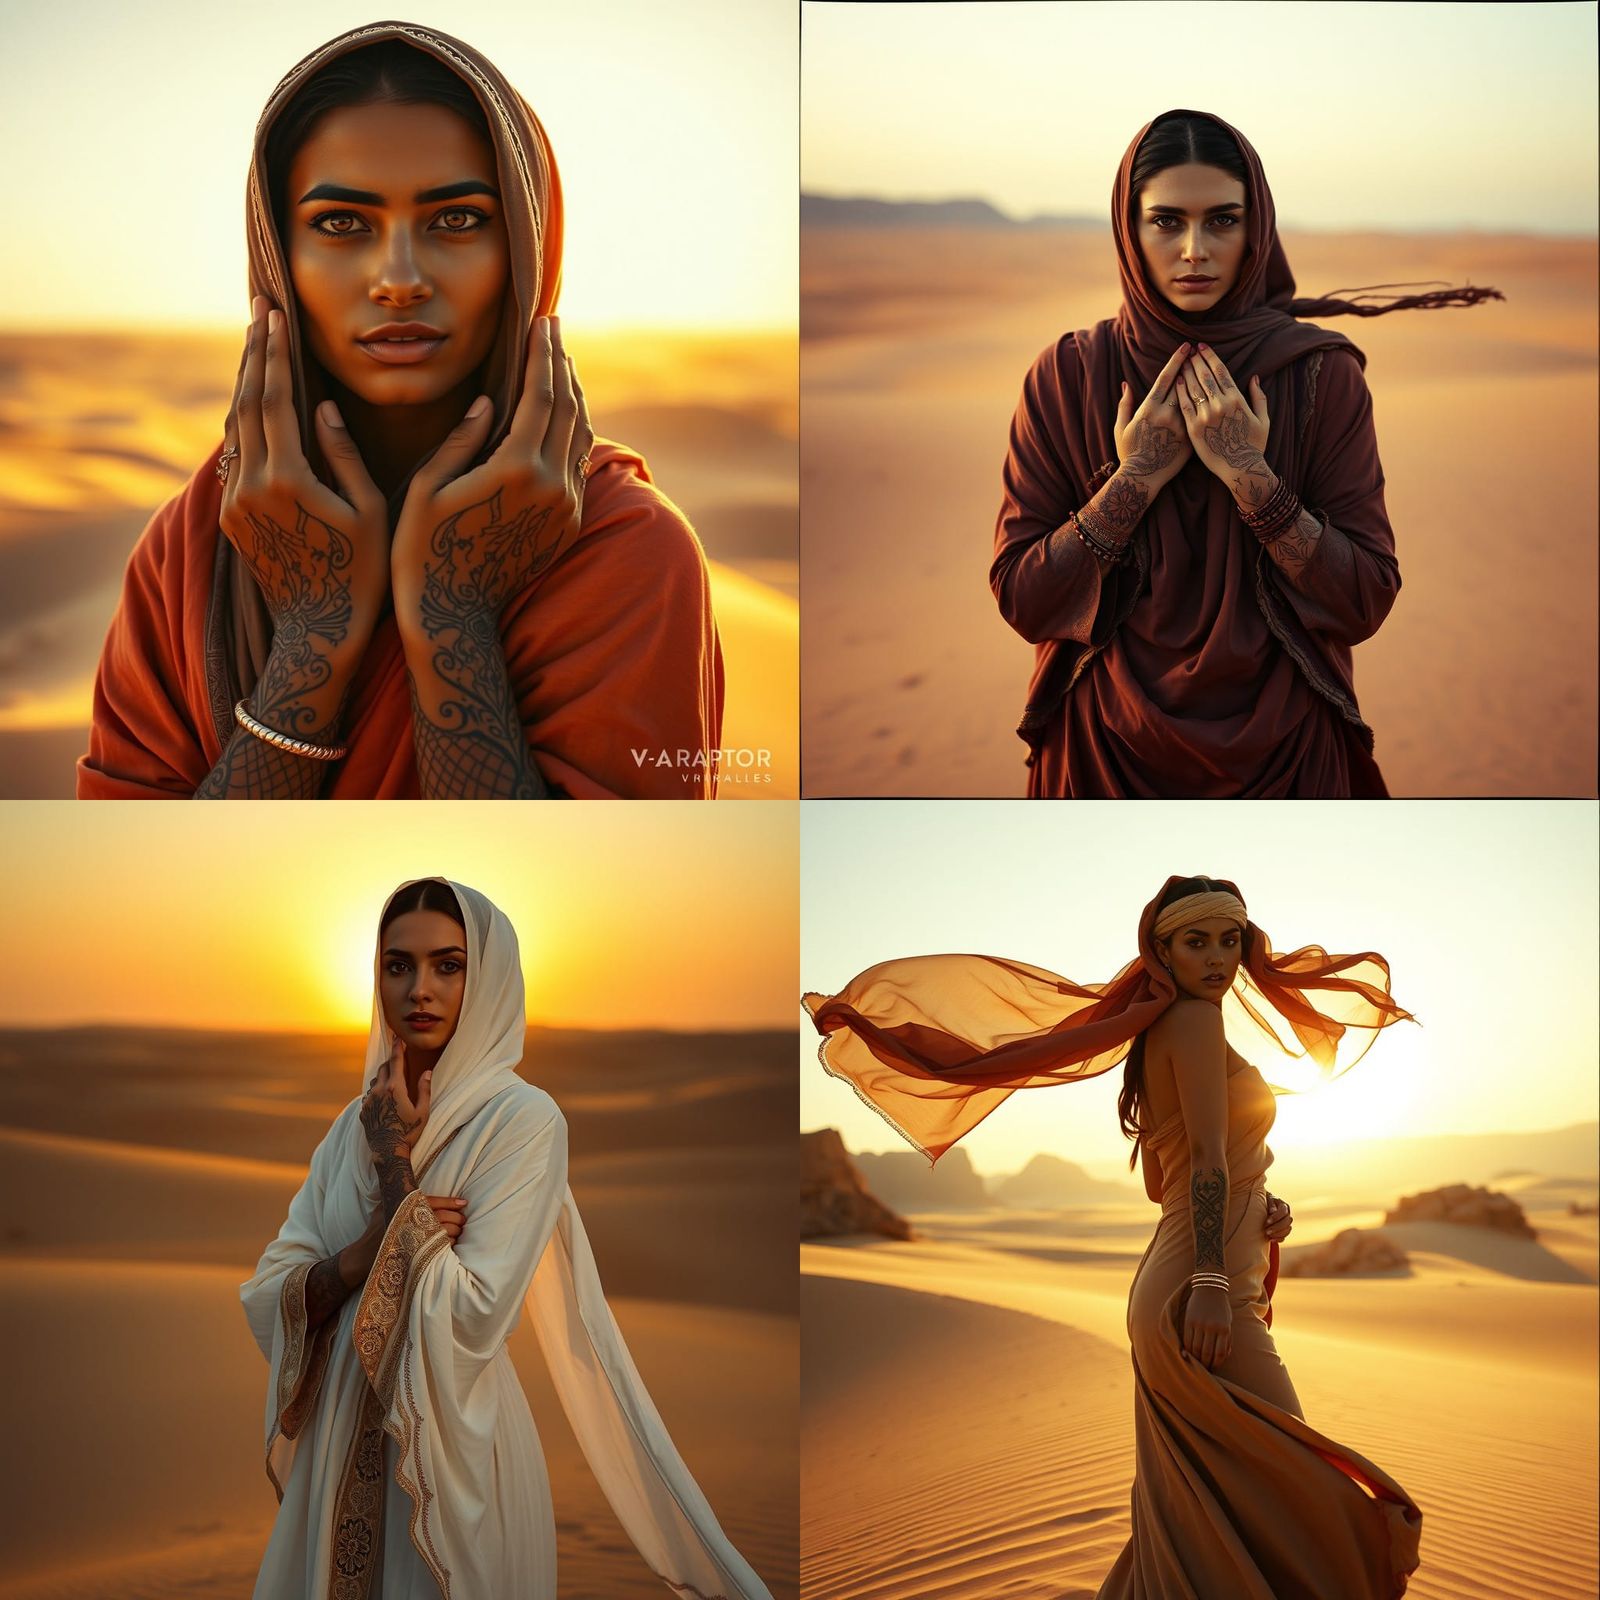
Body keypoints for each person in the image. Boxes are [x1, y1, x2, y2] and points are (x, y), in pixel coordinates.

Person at [79, 22, 723, 800]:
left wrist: (453, 614)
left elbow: (611, 887)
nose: (399, 278)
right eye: (341, 223)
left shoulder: (625, 549)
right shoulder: (191, 549)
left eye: (457, 219)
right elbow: (159, 897)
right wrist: (313, 638)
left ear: (525, 243)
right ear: (278, 255)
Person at [804, 874, 1422, 1595]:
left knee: (1215, 1503)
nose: (1217, 959)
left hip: (1190, 1276)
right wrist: (1215, 1282)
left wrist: (1260, 1202)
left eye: (1230, 940)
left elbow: (1173, 1182)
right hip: (1200, 1288)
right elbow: (1208, 1165)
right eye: (1197, 943)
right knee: (1299, 1483)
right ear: (1162, 951)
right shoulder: (1192, 1021)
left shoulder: (1163, 1026)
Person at [242, 878, 771, 1598]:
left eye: (447, 966)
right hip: (336, 1447)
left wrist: (396, 1169)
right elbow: (271, 1288)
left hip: (452, 1450)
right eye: (398, 966)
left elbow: (472, 1313)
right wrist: (377, 1246)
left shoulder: (522, 1123)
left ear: (485, 979)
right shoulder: (355, 1124)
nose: (419, 989)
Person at [990, 108, 1503, 798]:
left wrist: (1252, 479)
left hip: (1290, 760)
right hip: (1098, 760)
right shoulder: (1068, 377)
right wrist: (1134, 481)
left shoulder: (1319, 377)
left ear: (1255, 227)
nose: (1195, 249)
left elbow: (1365, 600)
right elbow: (1023, 599)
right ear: (1128, 229)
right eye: (1166, 221)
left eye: (1223, 221)